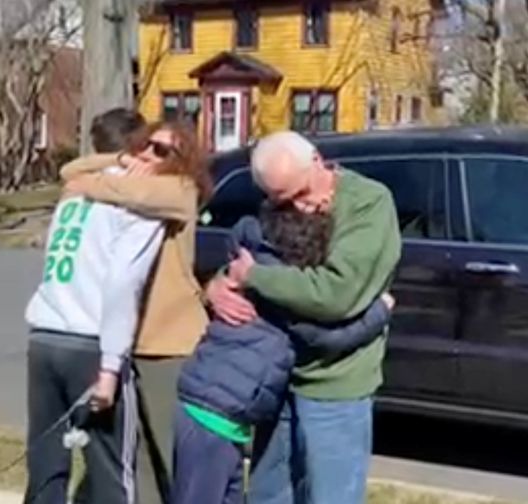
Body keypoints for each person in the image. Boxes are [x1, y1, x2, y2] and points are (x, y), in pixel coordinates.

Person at [207, 131, 402, 504]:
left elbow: (335, 294)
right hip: (276, 376)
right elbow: (248, 253)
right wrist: (216, 285)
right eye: (283, 201)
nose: (299, 207)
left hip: (335, 387)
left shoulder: (368, 203)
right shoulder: (280, 198)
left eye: (302, 193)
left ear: (316, 160)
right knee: (268, 495)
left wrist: (256, 278)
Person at [172, 202, 395, 504]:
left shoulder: (250, 259)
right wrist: (380, 311)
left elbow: (244, 227)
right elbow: (331, 338)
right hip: (212, 418)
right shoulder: (287, 299)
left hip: (209, 409)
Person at [23, 109, 180, 504]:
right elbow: (123, 283)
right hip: (90, 345)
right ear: (136, 148)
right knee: (112, 468)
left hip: (45, 339)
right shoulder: (137, 203)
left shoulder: (74, 194)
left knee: (46, 463)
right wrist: (111, 366)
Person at [59, 119, 212, 504]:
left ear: (184, 160)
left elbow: (84, 182)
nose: (148, 154)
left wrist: (92, 186)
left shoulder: (180, 190)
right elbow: (69, 171)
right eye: (146, 145)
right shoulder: (134, 185)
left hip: (169, 344)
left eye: (161, 151)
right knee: (135, 456)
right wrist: (122, 158)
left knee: (172, 453)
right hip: (124, 342)